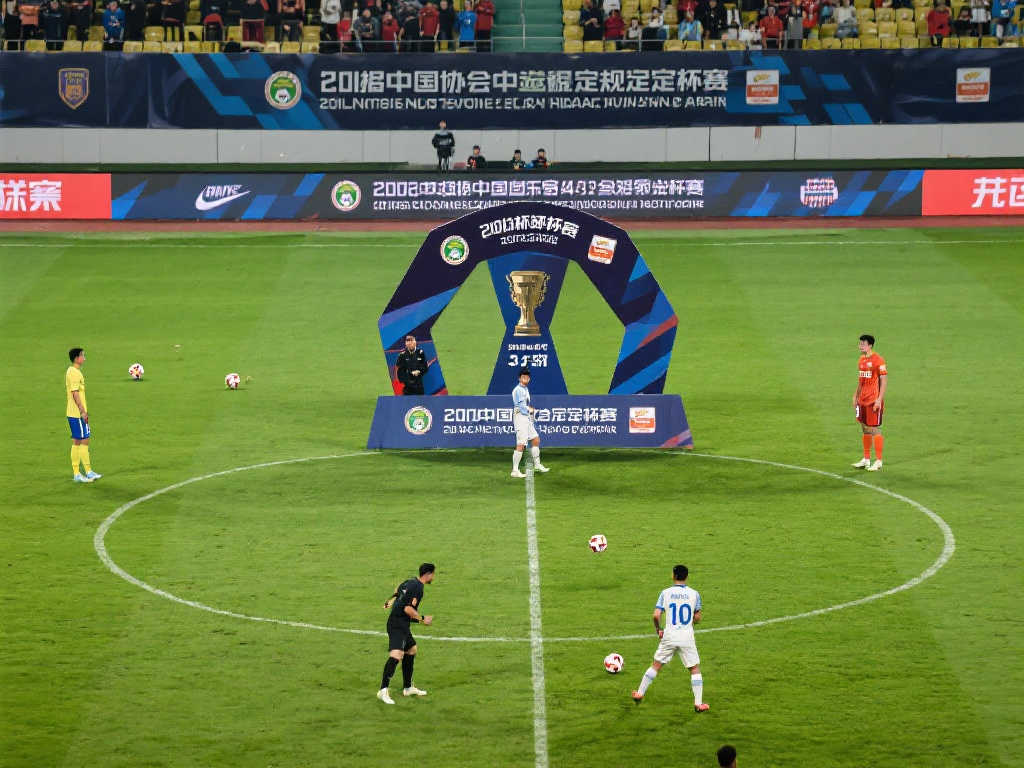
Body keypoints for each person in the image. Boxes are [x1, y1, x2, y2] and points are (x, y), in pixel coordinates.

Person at [631, 564, 709, 713]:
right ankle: (698, 703)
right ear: (687, 576)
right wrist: (690, 622)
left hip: (669, 636)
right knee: (694, 668)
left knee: (656, 665)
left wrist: (658, 629)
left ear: (673, 576)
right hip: (686, 637)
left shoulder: (665, 593)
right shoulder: (695, 594)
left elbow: (656, 615)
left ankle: (640, 693)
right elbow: (698, 617)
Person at [377, 563, 435, 705]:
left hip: (400, 622)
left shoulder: (410, 581)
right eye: (433, 574)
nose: (433, 577)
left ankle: (408, 688)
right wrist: (423, 619)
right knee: (397, 654)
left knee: (411, 649)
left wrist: (390, 600)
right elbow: (408, 609)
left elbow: (398, 589)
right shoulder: (419, 588)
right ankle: (383, 690)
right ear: (428, 574)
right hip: (398, 624)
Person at [851, 333, 887, 471]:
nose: (860, 346)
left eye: (863, 344)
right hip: (862, 400)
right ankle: (866, 459)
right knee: (865, 428)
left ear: (870, 345)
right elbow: (861, 381)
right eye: (860, 344)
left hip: (873, 400)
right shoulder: (861, 360)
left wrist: (879, 400)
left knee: (874, 429)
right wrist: (855, 396)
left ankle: (878, 461)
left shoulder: (879, 360)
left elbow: (884, 381)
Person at [66, 348, 101, 484]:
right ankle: (83, 472)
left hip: (73, 413)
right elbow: (75, 393)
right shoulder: (74, 373)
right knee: (83, 440)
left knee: (78, 440)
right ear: (76, 358)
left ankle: (83, 472)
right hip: (77, 414)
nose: (84, 358)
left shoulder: (72, 371)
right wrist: (82, 411)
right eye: (82, 355)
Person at [511, 367, 549, 478]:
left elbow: (525, 405)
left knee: (536, 439)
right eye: (523, 377)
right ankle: (515, 471)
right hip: (520, 417)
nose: (525, 379)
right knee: (521, 444)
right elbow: (521, 406)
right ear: (519, 378)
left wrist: (530, 413)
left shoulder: (525, 389)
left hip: (526, 417)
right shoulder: (518, 390)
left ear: (529, 379)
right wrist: (530, 410)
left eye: (527, 377)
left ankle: (537, 465)